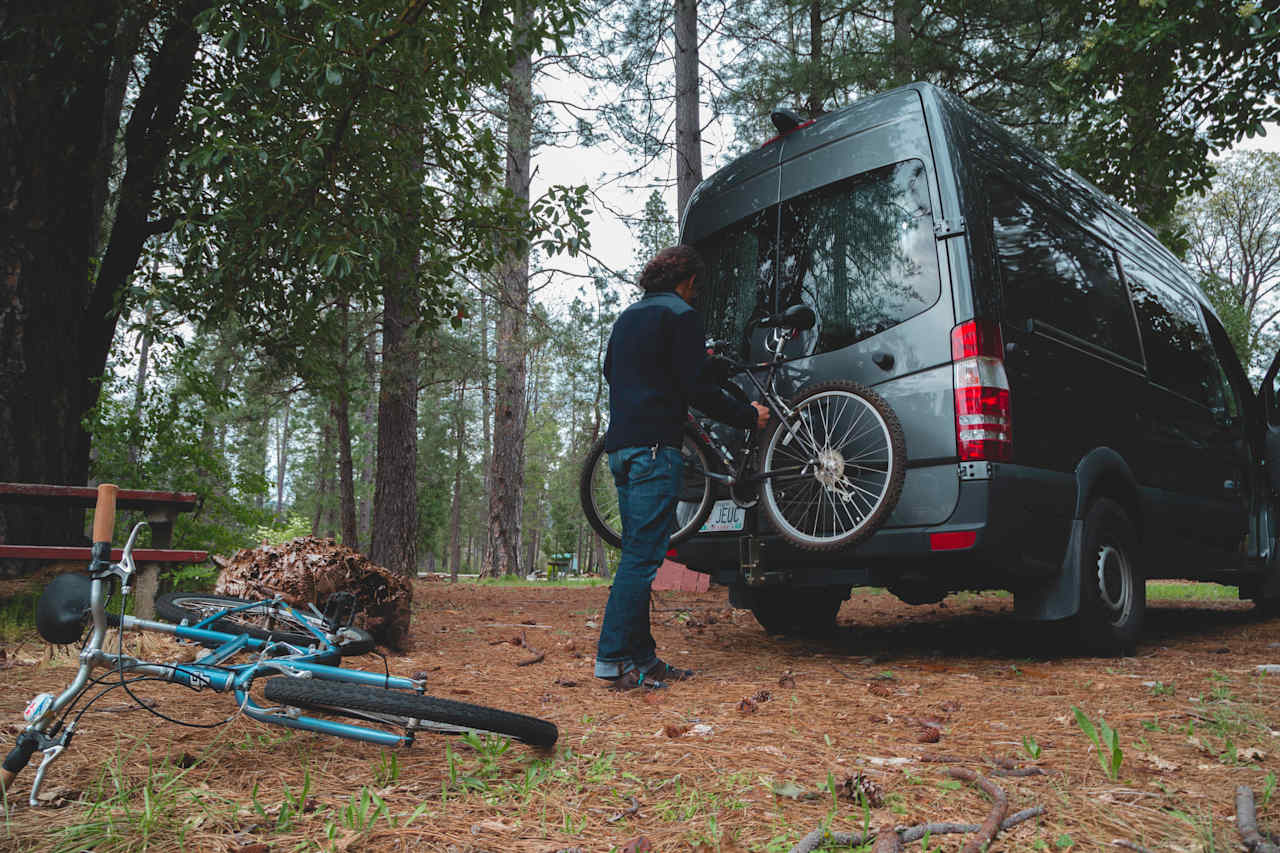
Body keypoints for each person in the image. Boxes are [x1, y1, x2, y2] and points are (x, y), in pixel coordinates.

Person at [595, 245, 770, 690]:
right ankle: (613, 660)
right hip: (657, 449)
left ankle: (644, 659)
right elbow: (698, 391)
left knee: (637, 553)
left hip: (622, 449)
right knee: (642, 558)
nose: (698, 295)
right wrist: (748, 416)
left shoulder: (629, 317)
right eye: (698, 287)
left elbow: (611, 370)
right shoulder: (682, 316)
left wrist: (669, 382)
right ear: (687, 281)